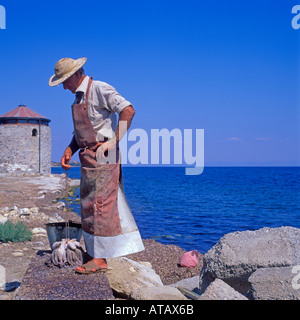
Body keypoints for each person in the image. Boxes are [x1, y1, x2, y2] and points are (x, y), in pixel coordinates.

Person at [49, 57, 144, 274]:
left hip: (105, 154)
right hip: (87, 156)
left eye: (64, 80)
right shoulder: (77, 99)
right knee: (88, 205)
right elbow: (81, 132)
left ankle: (100, 260)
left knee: (101, 205)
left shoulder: (100, 88)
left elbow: (128, 110)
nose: (63, 86)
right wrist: (70, 149)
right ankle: (93, 253)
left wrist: (113, 141)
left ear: (76, 74)